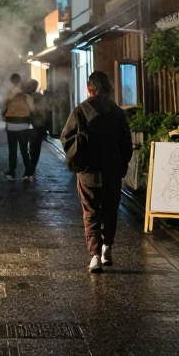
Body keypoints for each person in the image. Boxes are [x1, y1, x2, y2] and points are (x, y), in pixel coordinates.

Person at [61, 70, 132, 271]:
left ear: (88, 88)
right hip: (112, 170)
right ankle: (107, 247)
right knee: (110, 209)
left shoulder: (81, 110)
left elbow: (66, 138)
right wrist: (121, 164)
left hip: (88, 170)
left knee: (90, 211)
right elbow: (126, 144)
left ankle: (95, 256)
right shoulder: (116, 112)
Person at [1, 72, 34, 181]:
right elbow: (32, 109)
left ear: (11, 83)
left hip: (11, 126)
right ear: (20, 82)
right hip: (24, 126)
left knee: (12, 151)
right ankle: (28, 172)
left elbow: (3, 109)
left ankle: (12, 172)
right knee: (24, 150)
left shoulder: (8, 96)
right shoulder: (27, 96)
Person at [24, 79, 50, 179]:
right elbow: (47, 110)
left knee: (31, 146)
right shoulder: (41, 97)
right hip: (40, 125)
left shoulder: (26, 97)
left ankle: (30, 167)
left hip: (31, 124)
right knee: (36, 148)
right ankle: (32, 166)